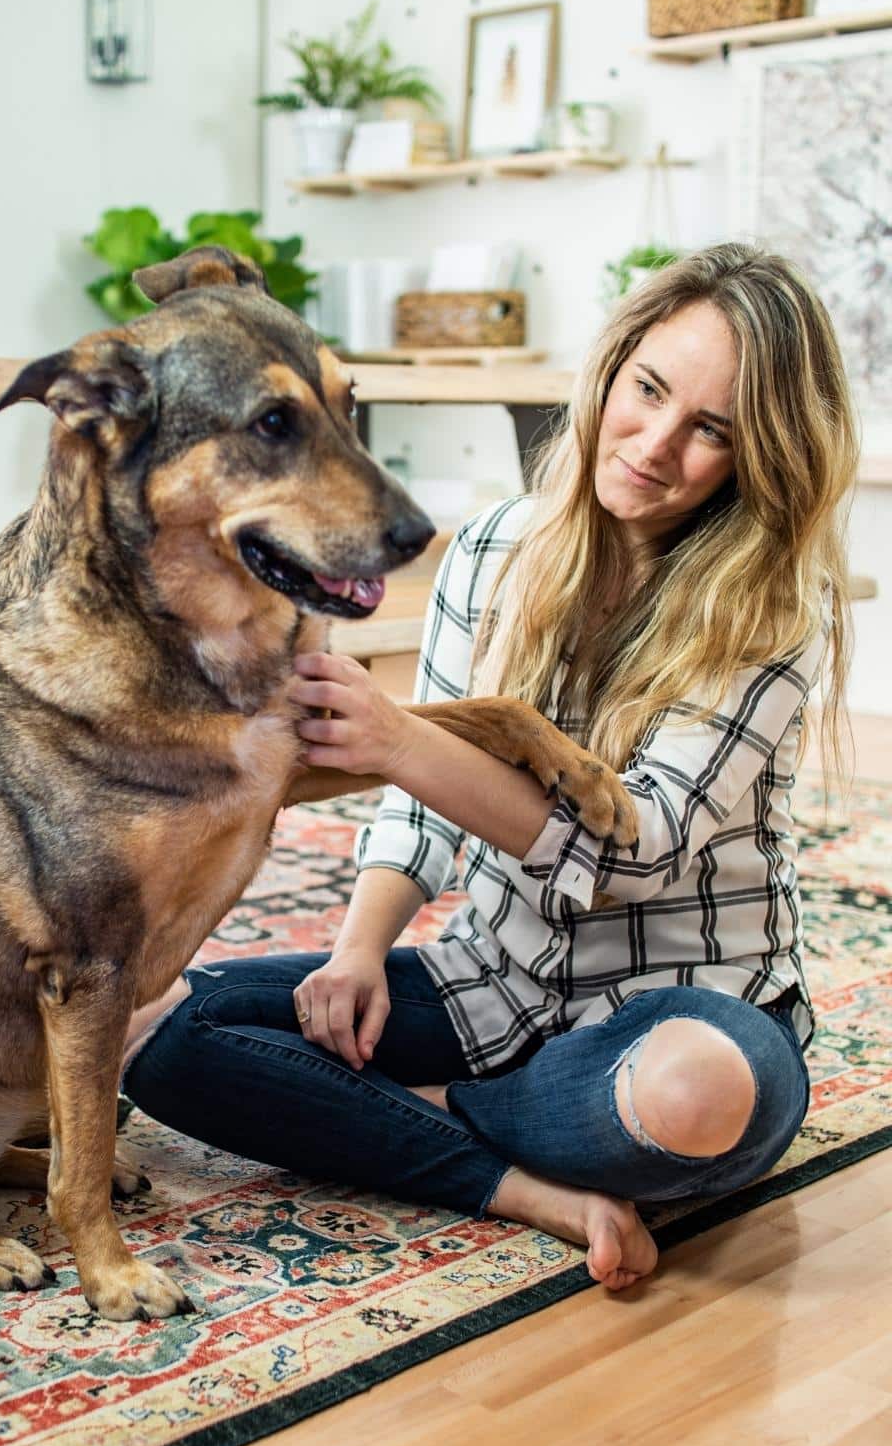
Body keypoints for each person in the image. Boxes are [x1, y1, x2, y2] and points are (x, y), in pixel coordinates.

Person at [121, 243, 858, 1292]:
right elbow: (418, 816)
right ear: (612, 369)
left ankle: (397, 1123)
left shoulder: (777, 611)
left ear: (758, 457)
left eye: (713, 432)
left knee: (691, 1096)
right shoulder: (496, 548)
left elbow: (634, 854)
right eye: (647, 391)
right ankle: (524, 1184)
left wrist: (401, 738)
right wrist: (358, 953)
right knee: (155, 1026)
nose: (653, 445)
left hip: (688, 1014)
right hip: (492, 993)